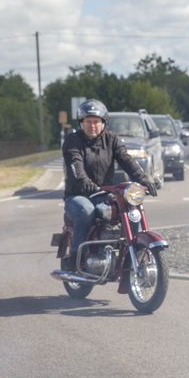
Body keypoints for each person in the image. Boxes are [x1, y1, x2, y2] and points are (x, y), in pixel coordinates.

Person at [61, 98, 157, 271]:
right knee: (86, 210)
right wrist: (84, 181)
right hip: (78, 195)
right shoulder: (73, 140)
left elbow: (126, 160)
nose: (92, 125)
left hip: (104, 194)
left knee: (130, 210)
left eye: (96, 121)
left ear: (103, 122)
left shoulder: (111, 139)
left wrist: (143, 179)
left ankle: (130, 253)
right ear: (81, 122)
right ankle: (76, 257)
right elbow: (75, 163)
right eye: (88, 121)